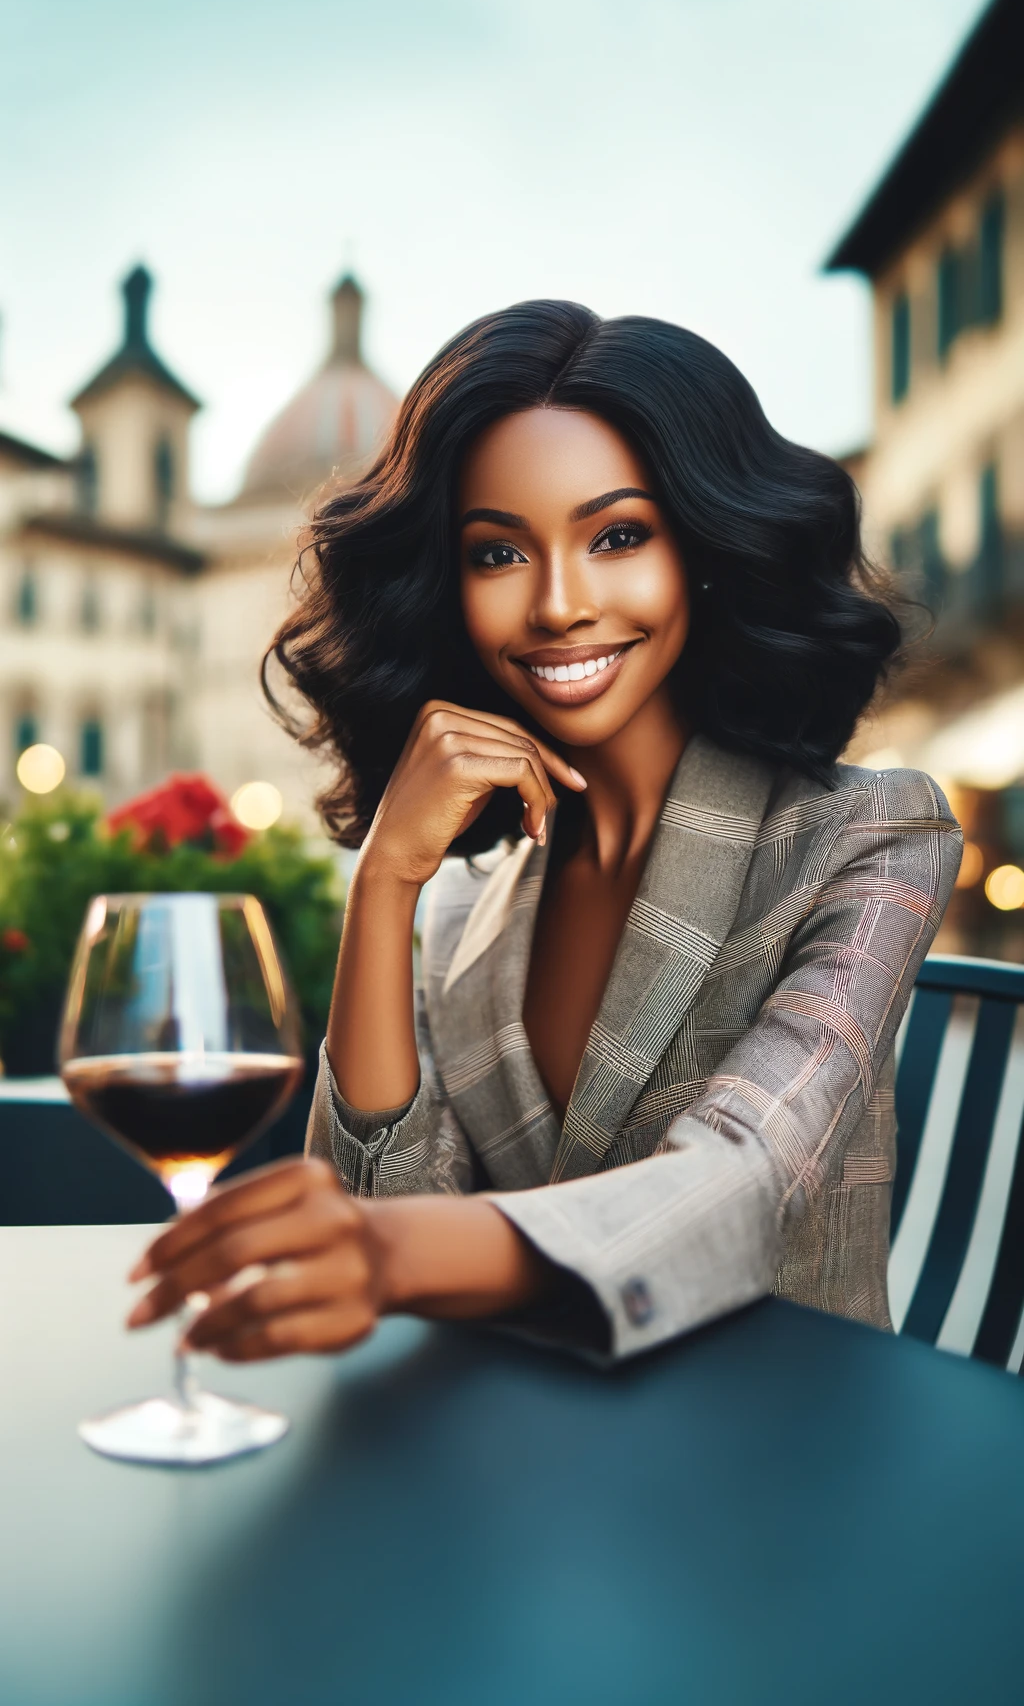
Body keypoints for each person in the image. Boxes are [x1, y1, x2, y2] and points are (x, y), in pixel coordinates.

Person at [127, 300, 962, 1364]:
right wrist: (384, 877)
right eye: (496, 554)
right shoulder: (471, 904)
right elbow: (378, 1194)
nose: (559, 605)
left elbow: (743, 1181)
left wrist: (387, 1254)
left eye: (617, 535)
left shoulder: (866, 836)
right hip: (516, 1459)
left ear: (699, 550)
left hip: (781, 1456)